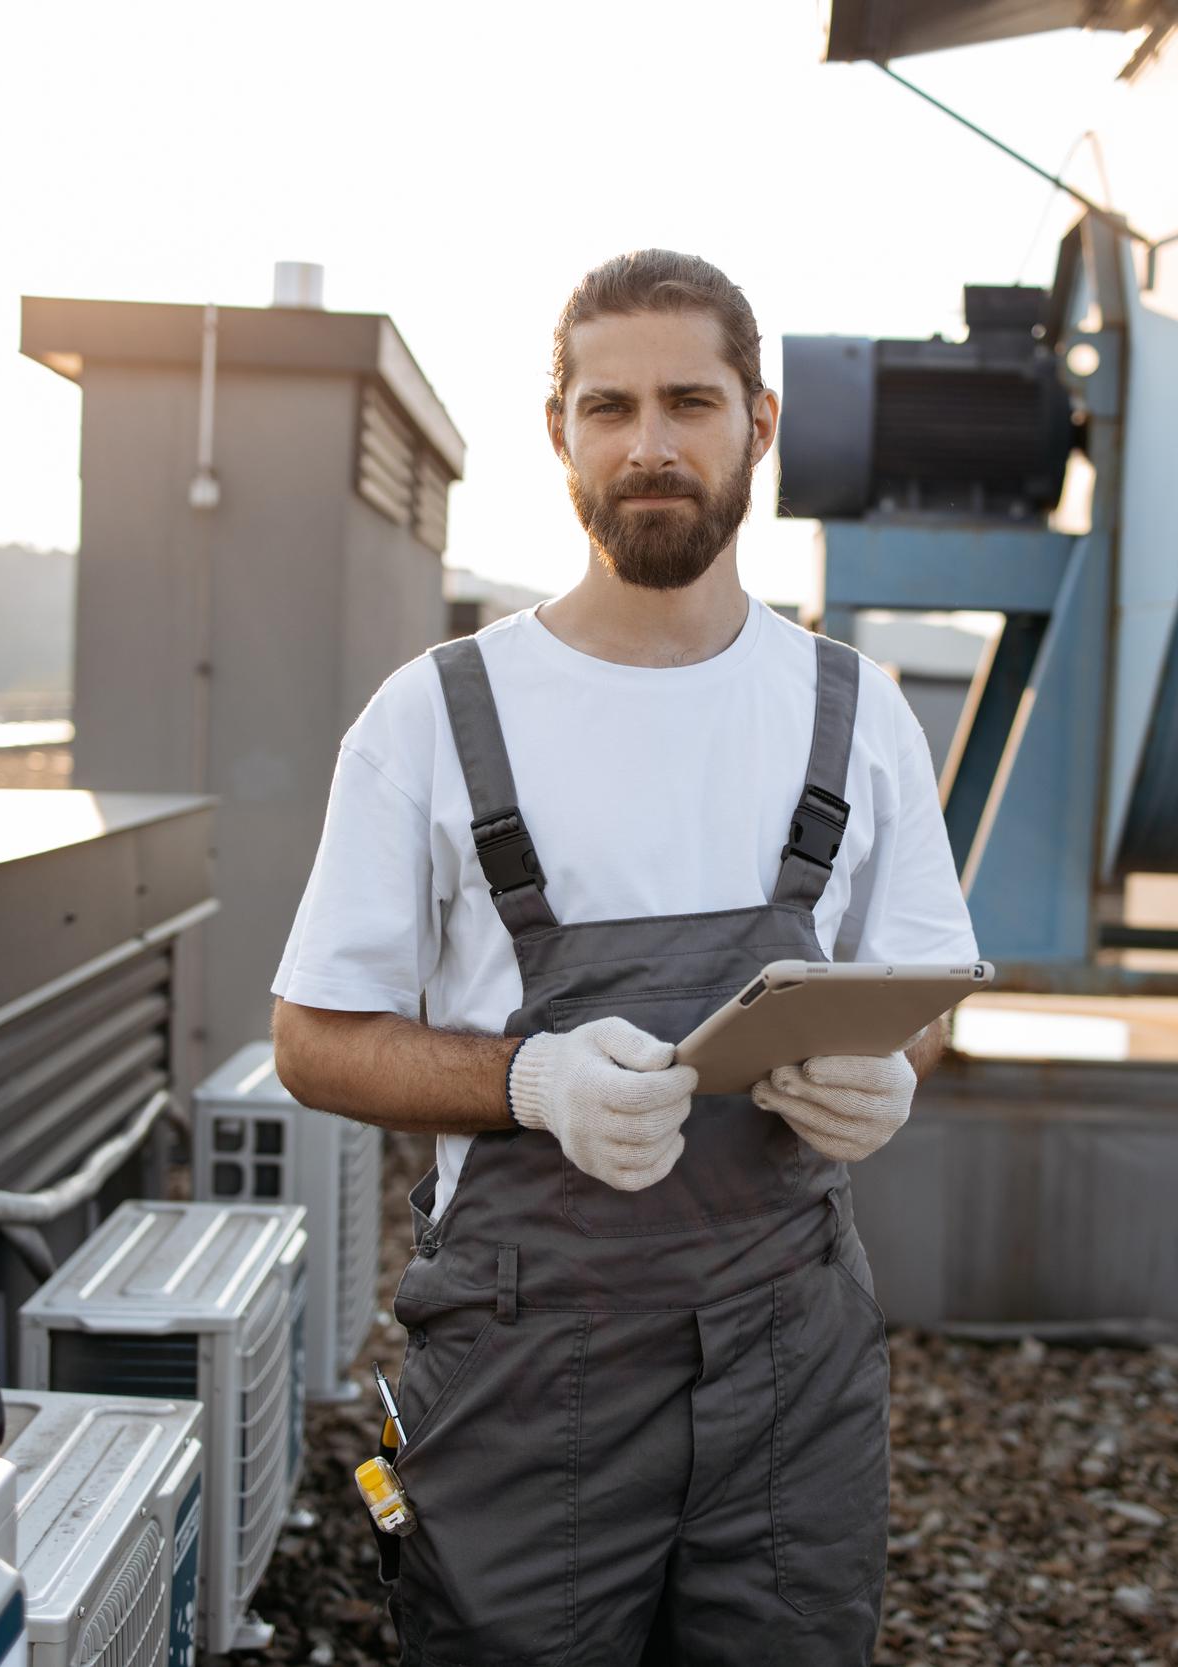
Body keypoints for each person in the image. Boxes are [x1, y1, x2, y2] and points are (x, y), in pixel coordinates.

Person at [270, 248, 978, 1666]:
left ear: (758, 424)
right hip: (529, 1364)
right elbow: (313, 1039)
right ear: (560, 434)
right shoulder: (433, 717)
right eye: (608, 408)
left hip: (792, 1354)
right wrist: (530, 1082)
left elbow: (922, 993)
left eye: (690, 402)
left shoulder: (857, 711)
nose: (648, 445)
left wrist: (887, 1072)